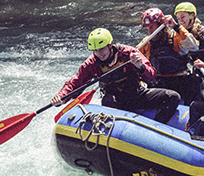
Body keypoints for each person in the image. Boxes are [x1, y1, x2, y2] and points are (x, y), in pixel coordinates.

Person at [51, 28, 180, 123]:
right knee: (107, 99)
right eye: (95, 50)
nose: (99, 54)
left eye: (101, 49)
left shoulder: (129, 53)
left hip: (136, 94)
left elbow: (151, 76)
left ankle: (157, 126)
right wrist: (62, 96)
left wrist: (140, 66)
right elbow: (76, 82)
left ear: (110, 45)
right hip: (115, 101)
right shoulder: (92, 63)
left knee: (173, 97)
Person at [138, 7, 203, 105]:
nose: (150, 32)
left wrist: (176, 26)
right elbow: (134, 54)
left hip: (179, 80)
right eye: (147, 29)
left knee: (195, 80)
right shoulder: (147, 42)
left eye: (151, 27)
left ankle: (193, 110)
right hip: (160, 82)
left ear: (160, 25)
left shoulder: (176, 37)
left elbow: (194, 47)